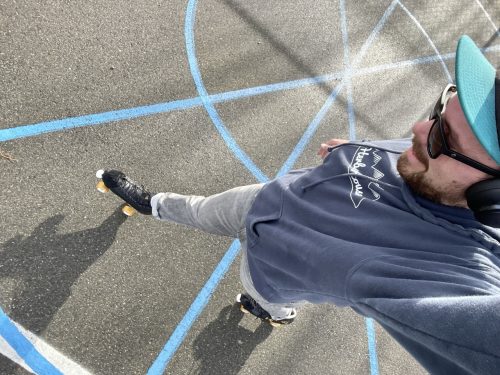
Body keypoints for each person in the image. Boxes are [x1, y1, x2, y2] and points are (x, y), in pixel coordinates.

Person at [97, 35, 500, 374]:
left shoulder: (452, 268)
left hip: (269, 270)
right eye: (439, 111)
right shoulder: (431, 165)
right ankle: (154, 204)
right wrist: (350, 151)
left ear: (493, 196)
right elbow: (403, 152)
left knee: (262, 294)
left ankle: (275, 313)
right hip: (265, 199)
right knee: (201, 209)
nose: (418, 128)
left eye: (443, 137)